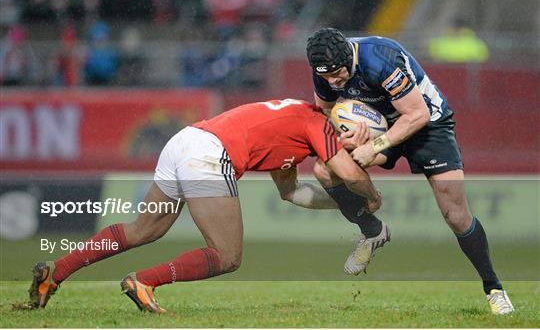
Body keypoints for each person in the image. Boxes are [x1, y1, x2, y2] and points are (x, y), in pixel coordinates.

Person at [28, 99, 382, 313]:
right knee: (227, 255)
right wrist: (370, 198)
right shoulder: (318, 124)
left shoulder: (294, 123)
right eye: (362, 140)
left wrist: (340, 204)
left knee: (142, 230)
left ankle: (54, 273)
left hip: (185, 141)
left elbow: (291, 193)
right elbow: (349, 173)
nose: (359, 150)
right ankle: (144, 282)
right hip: (209, 154)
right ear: (347, 127)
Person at [305, 27, 514, 315]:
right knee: (325, 169)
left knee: (456, 215)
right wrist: (347, 136)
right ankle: (372, 230)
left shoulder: (381, 59)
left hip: (427, 126)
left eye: (337, 73)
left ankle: (494, 288)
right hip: (379, 125)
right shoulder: (324, 70)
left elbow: (417, 114)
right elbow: (326, 114)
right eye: (326, 76)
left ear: (347, 58)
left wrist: (374, 146)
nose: (333, 80)